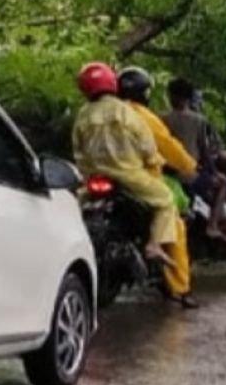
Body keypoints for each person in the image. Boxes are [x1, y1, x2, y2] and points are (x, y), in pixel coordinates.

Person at [70, 63, 179, 274]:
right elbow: (146, 145)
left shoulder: (82, 115)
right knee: (165, 200)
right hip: (129, 176)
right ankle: (154, 245)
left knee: (74, 207)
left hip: (94, 177)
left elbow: (78, 150)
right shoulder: (125, 112)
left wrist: (86, 173)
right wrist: (154, 162)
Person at [162, 77, 226, 283]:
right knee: (225, 194)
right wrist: (214, 173)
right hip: (191, 177)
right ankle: (214, 228)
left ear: (170, 96)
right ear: (190, 99)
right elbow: (206, 153)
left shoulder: (160, 118)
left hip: (166, 176)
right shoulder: (199, 121)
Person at [117, 67, 201, 308]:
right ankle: (180, 287)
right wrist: (188, 165)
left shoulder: (100, 111)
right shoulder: (143, 116)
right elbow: (168, 146)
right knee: (174, 221)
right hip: (139, 179)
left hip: (99, 176)